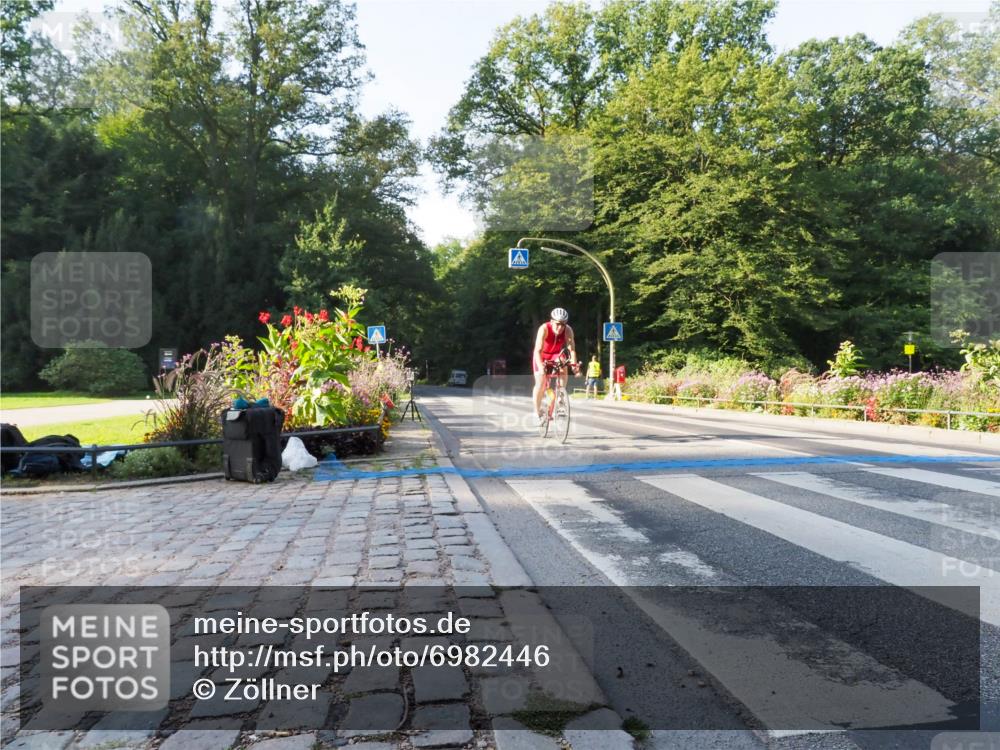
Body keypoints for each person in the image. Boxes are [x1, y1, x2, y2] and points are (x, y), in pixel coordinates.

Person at [532, 308, 580, 423]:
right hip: (541, 355)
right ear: (552, 321)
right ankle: (537, 411)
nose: (560, 328)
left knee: (564, 364)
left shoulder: (568, 330)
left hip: (555, 355)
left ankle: (560, 394)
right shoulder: (544, 328)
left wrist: (574, 365)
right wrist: (541, 368)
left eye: (563, 325)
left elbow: (571, 350)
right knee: (541, 382)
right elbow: (537, 350)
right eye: (558, 324)